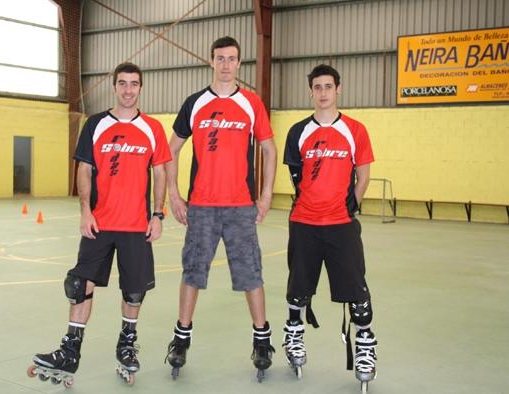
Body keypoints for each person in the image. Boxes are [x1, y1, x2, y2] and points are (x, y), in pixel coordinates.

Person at [28, 62, 171, 387]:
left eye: (134, 83)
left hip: (137, 225)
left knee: (134, 291)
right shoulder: (95, 124)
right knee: (80, 285)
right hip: (100, 222)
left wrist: (158, 214)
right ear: (114, 86)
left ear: (141, 87)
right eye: (122, 83)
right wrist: (84, 210)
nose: (128, 89)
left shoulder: (152, 128)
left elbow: (161, 171)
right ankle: (70, 351)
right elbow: (84, 169)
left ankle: (126, 344)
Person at [164, 36, 277, 382]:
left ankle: (262, 339)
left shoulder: (251, 103)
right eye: (220, 58)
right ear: (211, 61)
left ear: (239, 64)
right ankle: (181, 338)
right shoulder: (195, 103)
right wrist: (173, 193)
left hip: (241, 206)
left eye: (231, 59)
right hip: (201, 207)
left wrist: (267, 194)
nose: (225, 64)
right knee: (192, 272)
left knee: (250, 274)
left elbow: (270, 150)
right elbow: (172, 149)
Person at [281, 64, 378, 386]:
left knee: (355, 289)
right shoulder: (298, 131)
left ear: (338, 89)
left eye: (328, 86)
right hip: (305, 223)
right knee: (298, 288)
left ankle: (365, 344)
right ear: (311, 91)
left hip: (341, 224)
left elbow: (363, 173)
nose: (323, 92)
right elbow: (296, 176)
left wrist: (354, 204)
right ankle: (294, 334)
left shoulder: (356, 129)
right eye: (317, 87)